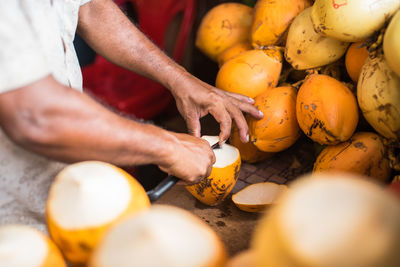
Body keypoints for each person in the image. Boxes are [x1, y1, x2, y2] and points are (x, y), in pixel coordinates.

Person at [0, 0, 262, 231]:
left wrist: (179, 79)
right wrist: (168, 147)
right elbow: (35, 115)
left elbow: (89, 7)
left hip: (63, 195)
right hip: (11, 222)